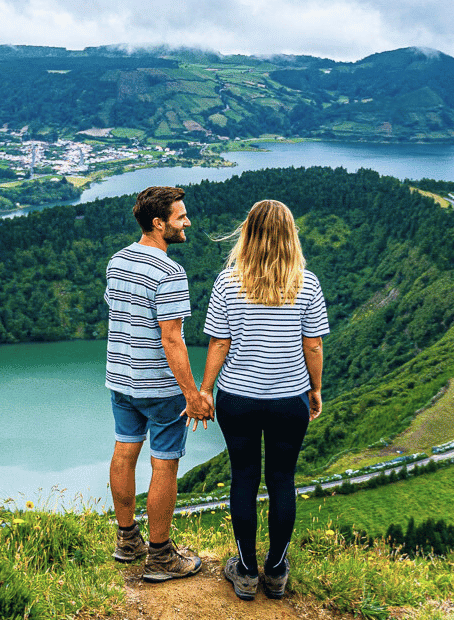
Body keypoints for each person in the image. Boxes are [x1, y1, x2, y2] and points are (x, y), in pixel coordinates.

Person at [199, 199, 329, 601]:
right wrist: (315, 388)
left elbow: (220, 341)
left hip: (237, 398)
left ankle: (245, 572)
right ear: (291, 234)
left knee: (243, 478)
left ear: (247, 233)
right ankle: (275, 572)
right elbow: (314, 344)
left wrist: (206, 389)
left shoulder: (227, 283)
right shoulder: (306, 283)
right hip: (288, 399)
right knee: (282, 481)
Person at [104, 185, 210, 582]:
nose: (187, 222)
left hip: (120, 378)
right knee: (164, 462)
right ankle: (162, 557)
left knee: (124, 451)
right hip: (159, 388)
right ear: (158, 223)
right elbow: (172, 338)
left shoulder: (117, 261)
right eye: (180, 217)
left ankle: (127, 540)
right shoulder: (169, 271)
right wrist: (192, 394)